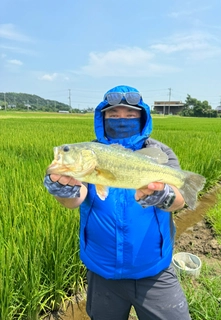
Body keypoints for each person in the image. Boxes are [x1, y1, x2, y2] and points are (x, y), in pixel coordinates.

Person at [44, 85, 191, 320]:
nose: (122, 120)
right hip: (102, 272)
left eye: (131, 115)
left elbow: (179, 201)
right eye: (114, 115)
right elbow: (73, 201)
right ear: (102, 118)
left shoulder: (159, 152)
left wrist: (164, 196)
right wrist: (62, 188)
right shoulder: (91, 153)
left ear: (142, 117)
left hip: (154, 270)